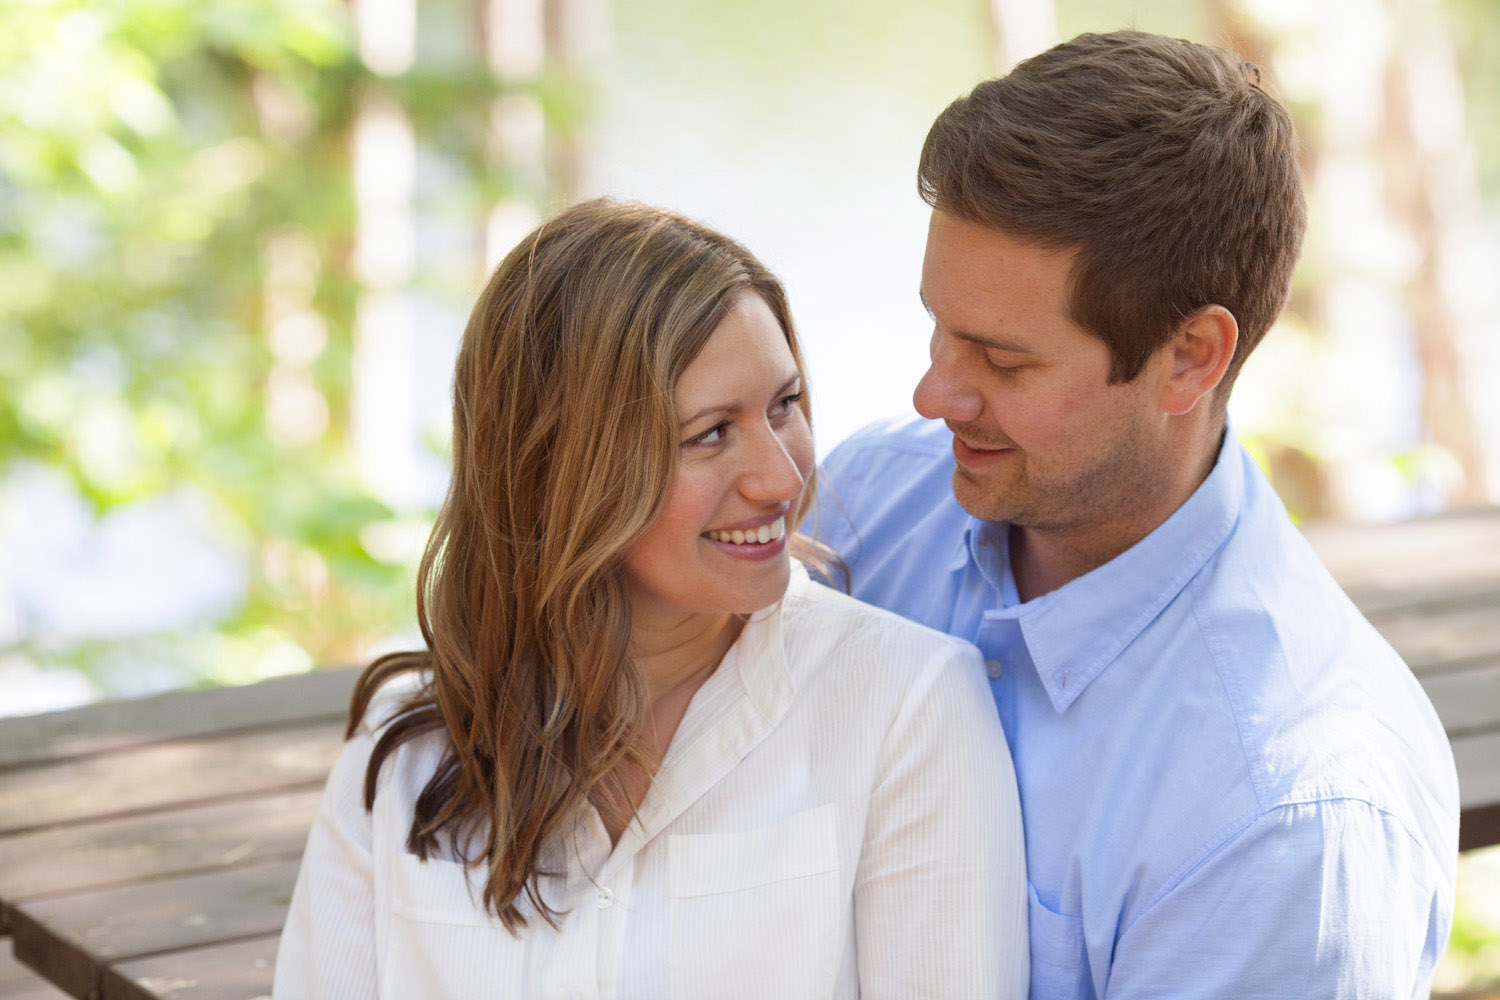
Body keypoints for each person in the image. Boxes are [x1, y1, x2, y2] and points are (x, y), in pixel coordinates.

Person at [813, 30, 1459, 1000]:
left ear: (1190, 357)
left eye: (1003, 360)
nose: (931, 393)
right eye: (939, 329)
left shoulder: (1287, 821)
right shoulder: (869, 510)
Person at [273, 199, 1029, 999]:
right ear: (555, 473)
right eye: (709, 433)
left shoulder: (906, 708)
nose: (781, 478)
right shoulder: (407, 754)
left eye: (785, 405)